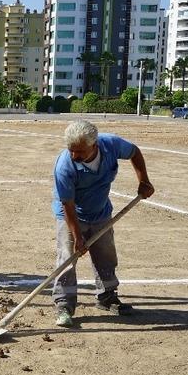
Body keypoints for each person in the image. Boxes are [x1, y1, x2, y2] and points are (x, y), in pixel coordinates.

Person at [51, 120, 155, 327]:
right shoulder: (64, 166)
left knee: (106, 255)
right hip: (71, 215)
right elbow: (67, 204)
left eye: (80, 151)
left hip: (100, 212)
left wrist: (144, 180)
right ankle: (64, 304)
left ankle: (107, 296)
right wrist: (78, 237)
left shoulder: (111, 145)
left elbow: (134, 152)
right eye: (71, 150)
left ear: (94, 145)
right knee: (67, 258)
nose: (74, 155)